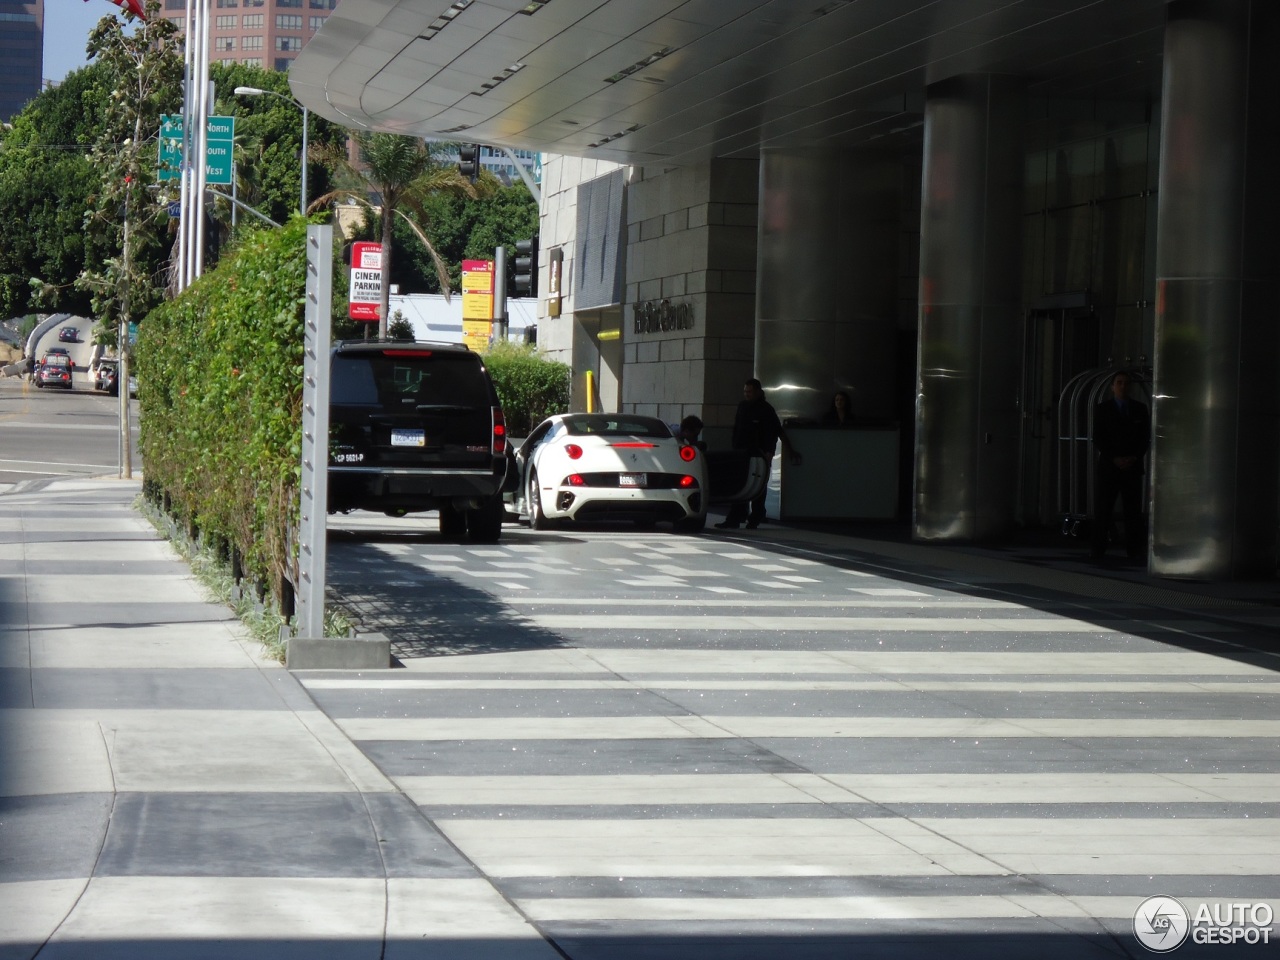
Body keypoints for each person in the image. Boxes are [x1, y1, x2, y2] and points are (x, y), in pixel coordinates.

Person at [715, 378, 800, 530]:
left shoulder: (766, 410)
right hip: (742, 451)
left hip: (758, 452)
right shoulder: (743, 407)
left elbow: (775, 431)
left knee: (757, 486)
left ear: (758, 392)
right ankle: (739, 515)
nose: (746, 394)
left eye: (749, 392)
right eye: (745, 392)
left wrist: (771, 451)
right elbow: (737, 429)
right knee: (741, 484)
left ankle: (754, 515)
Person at [1091, 370, 1150, 561]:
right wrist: (1114, 458)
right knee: (1103, 509)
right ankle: (1098, 549)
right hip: (1109, 466)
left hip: (1131, 466)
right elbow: (1098, 438)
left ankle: (1134, 550)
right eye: (1119, 383)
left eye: (1126, 383)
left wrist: (1134, 457)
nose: (1123, 386)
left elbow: (1144, 438)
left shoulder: (1140, 409)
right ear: (1112, 387)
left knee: (1132, 511)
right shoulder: (1103, 409)